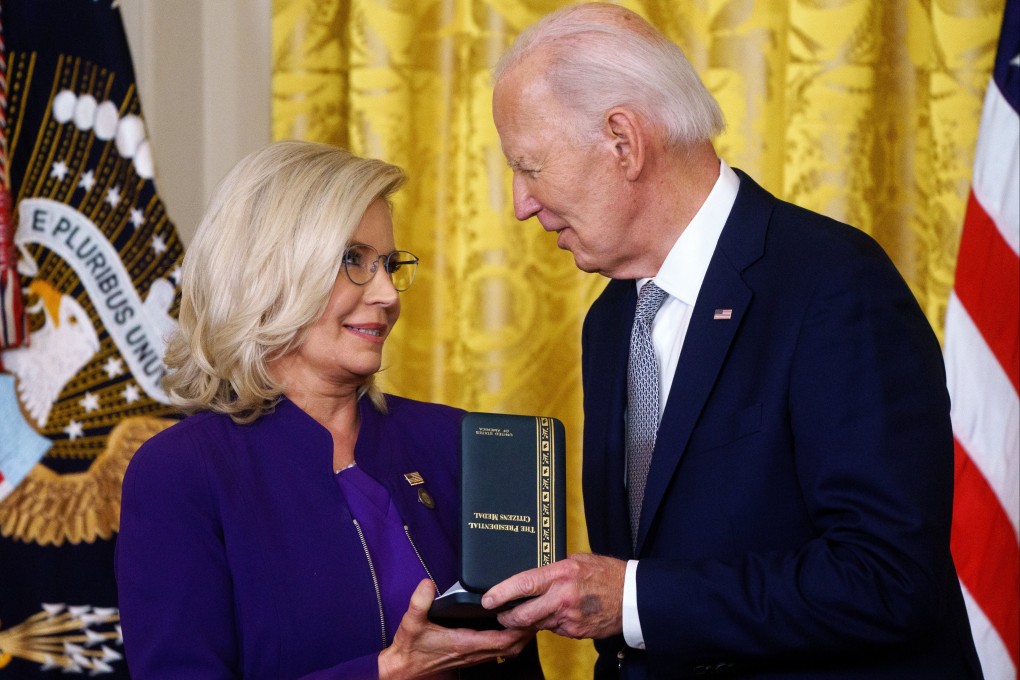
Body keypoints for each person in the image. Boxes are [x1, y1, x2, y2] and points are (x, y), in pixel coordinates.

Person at [481, 3, 983, 679]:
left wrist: (629, 599)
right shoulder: (609, 321)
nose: (519, 203)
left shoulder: (831, 285)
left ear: (623, 141)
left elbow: (887, 577)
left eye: (529, 166)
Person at [115, 140, 542, 680]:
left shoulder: (457, 441)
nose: (387, 294)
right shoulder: (181, 470)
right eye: (353, 261)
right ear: (266, 271)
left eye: (389, 263)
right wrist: (386, 673)